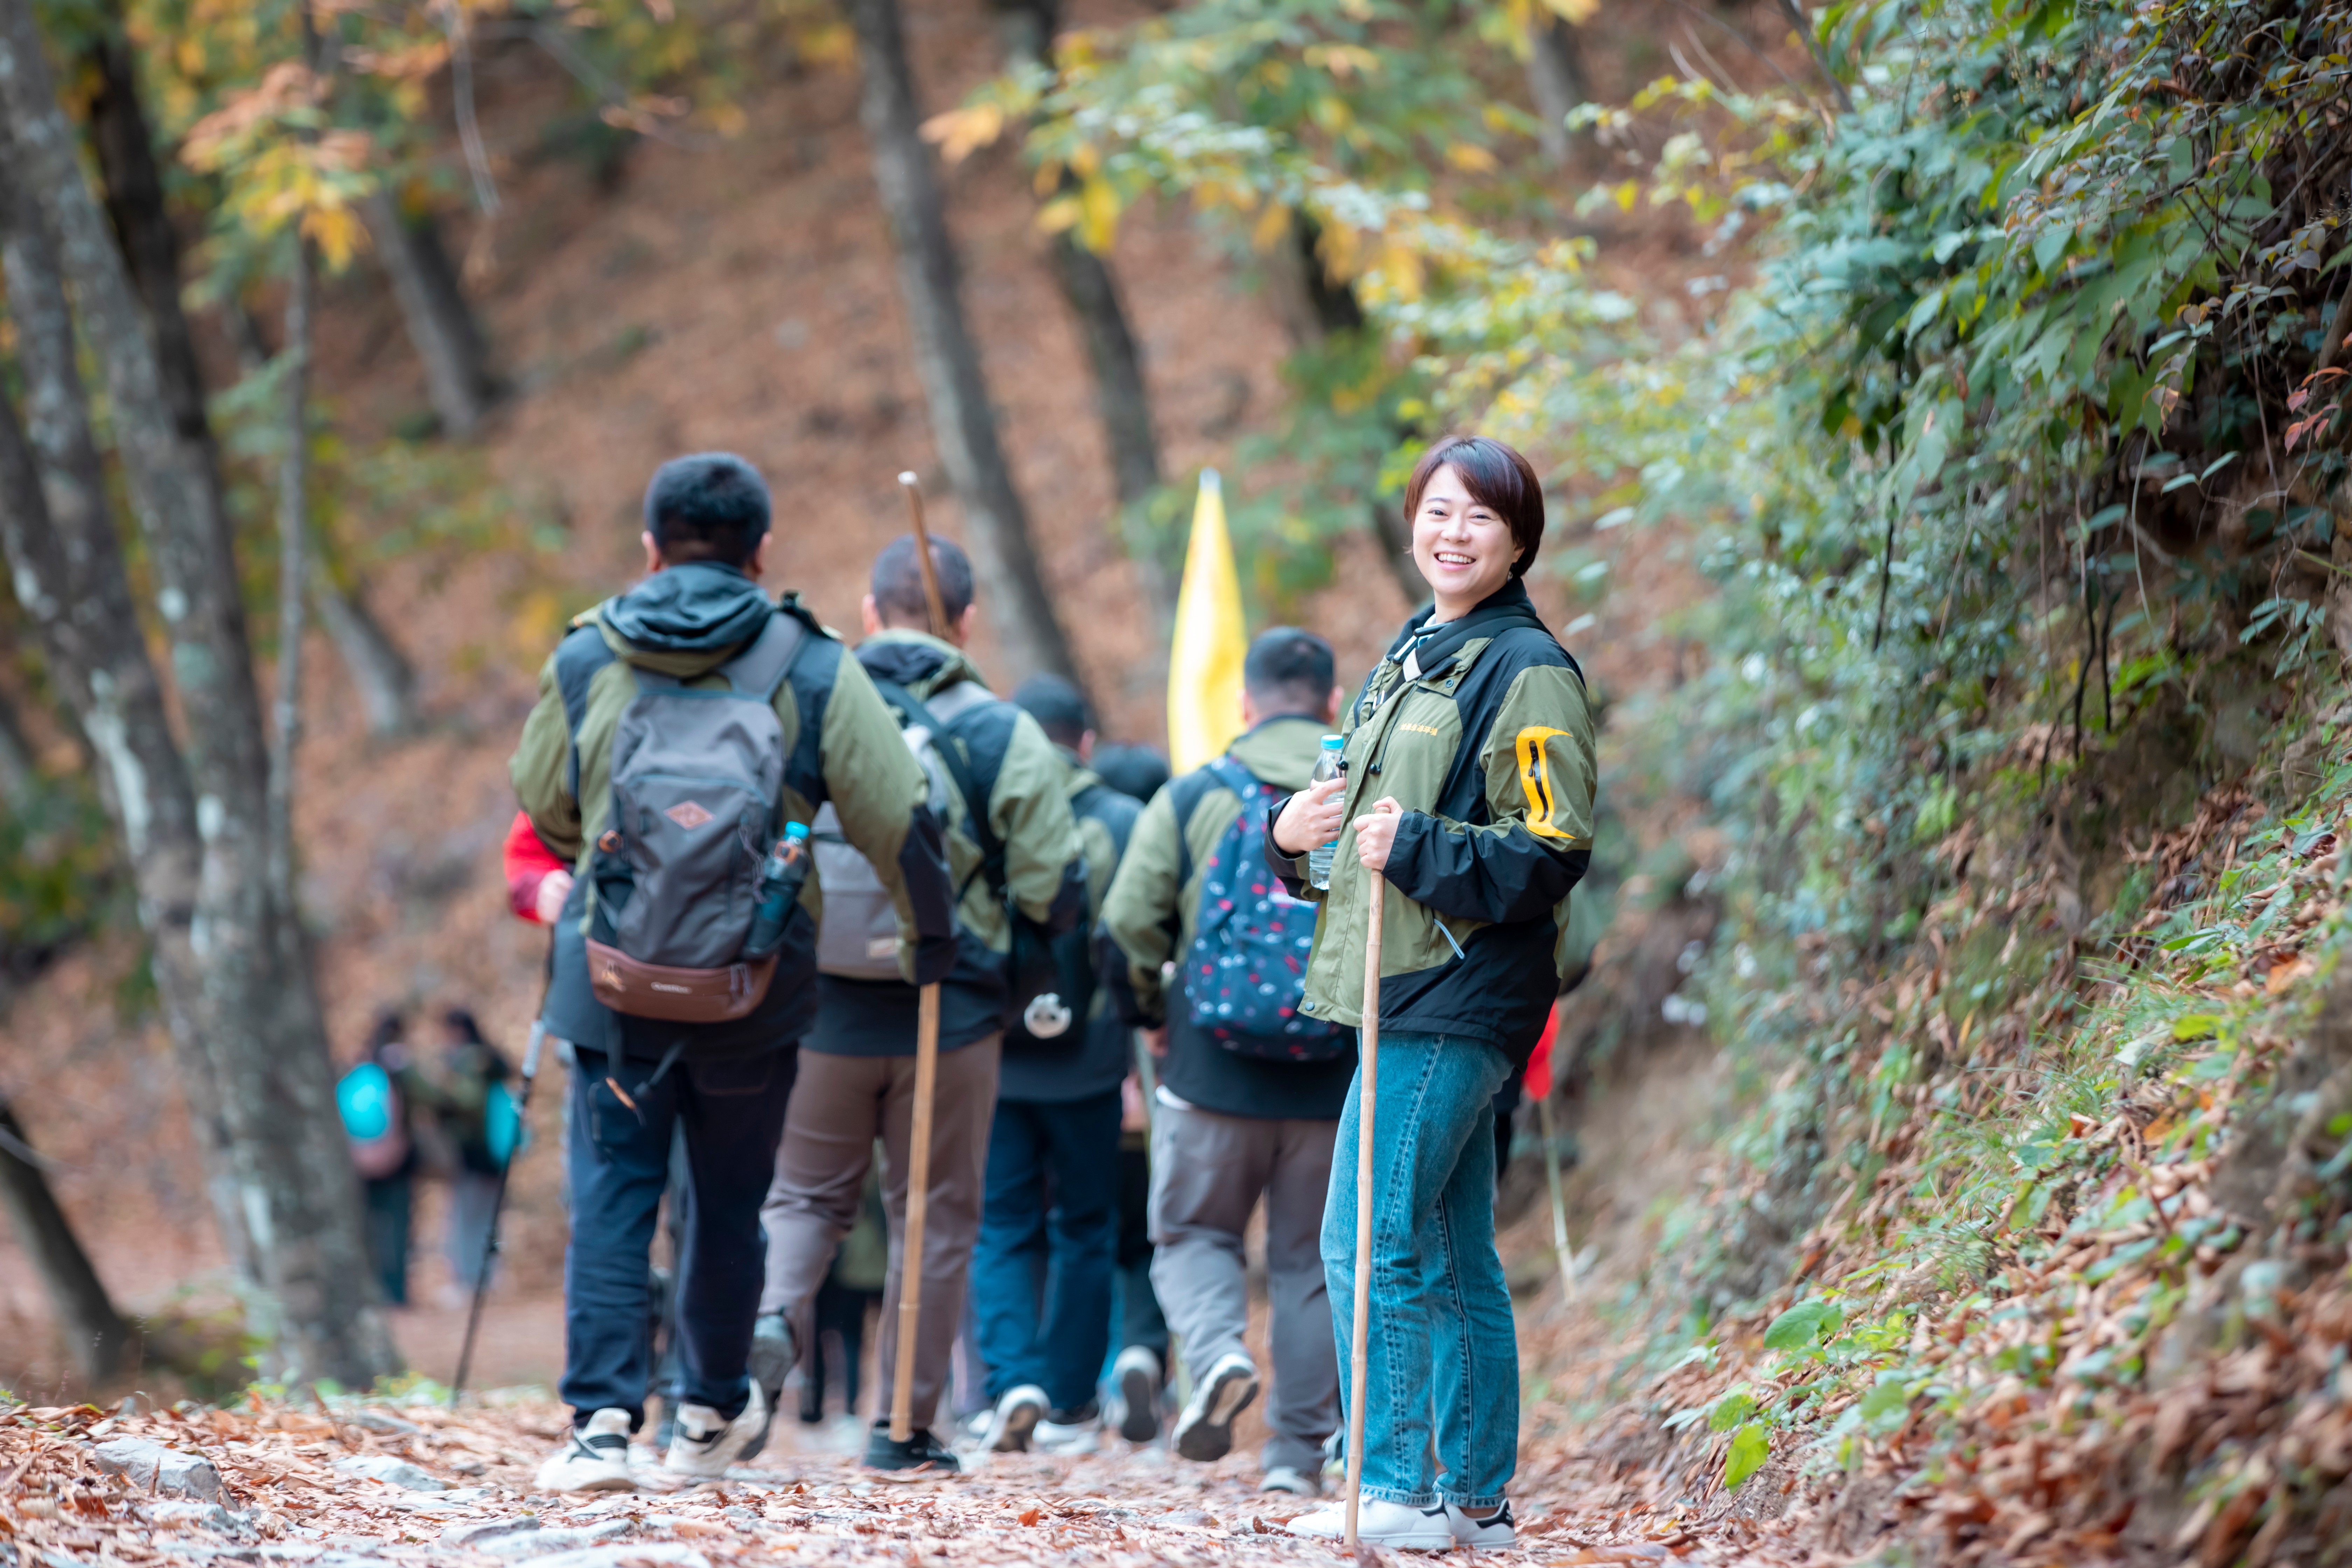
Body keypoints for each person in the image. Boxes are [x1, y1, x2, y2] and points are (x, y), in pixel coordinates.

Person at [510, 453, 957, 1491]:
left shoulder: (587, 655)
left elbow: (544, 798)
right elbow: (898, 812)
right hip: (754, 980)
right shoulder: (810, 662)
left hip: (611, 976)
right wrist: (928, 938)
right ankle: (707, 1411)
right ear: (762, 552)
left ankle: (599, 1425)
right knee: (727, 1196)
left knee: (613, 1191)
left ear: (650, 548)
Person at [1270, 436, 1596, 1550]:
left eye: (1480, 517)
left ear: (1519, 542)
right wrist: (1287, 837)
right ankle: (1474, 1501)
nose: (1453, 533)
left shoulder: (1527, 668)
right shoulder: (1416, 652)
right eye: (1438, 511)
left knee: (1365, 1238)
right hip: (1400, 985)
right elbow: (1355, 836)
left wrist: (1417, 844)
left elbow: (1552, 847)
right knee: (1450, 1253)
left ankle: (1397, 1485)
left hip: (1460, 989)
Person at [754, 533, 1085, 1474]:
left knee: (805, 1196)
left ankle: (769, 1321)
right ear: (967, 623)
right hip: (953, 1009)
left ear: (869, 613)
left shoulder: (814, 707)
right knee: (932, 1217)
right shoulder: (1002, 731)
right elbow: (1053, 887)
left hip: (823, 1005)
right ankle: (902, 1427)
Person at [1099, 627, 1355, 1495]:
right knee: (1308, 1265)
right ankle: (1295, 1458)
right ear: (1333, 703)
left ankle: (1213, 1356)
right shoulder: (1364, 794)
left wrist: (1150, 1017)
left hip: (1209, 1069)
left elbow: (1127, 926)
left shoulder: (1194, 796)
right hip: (1329, 1071)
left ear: (1244, 703)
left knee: (1194, 1234)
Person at [965, 674, 1142, 1454]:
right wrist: (1140, 1033)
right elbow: (1139, 937)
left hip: (995, 1056)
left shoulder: (984, 807)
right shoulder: (1123, 819)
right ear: (1086, 743)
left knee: (1001, 1221)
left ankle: (1012, 1383)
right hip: (1091, 1062)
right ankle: (1071, 1403)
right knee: (1085, 1226)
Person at [350, 1009, 430, 1308]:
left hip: (360, 1161)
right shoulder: (400, 1066)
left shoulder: (359, 1066)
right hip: (398, 1162)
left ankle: (372, 1287)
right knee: (397, 1226)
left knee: (368, 1226)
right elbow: (428, 1099)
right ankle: (396, 1291)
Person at [436, 1008, 513, 1295]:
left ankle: (469, 1280)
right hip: (497, 1153)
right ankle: (490, 1275)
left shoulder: (467, 1062)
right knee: (488, 1218)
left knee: (467, 1220)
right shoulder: (491, 1060)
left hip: (474, 1156)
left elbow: (465, 1102)